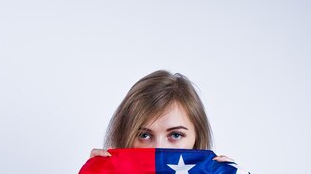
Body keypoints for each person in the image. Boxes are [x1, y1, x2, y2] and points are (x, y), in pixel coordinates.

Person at [88, 69, 234, 162]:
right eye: (144, 135)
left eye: (176, 135)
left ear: (197, 137)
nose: (159, 148)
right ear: (124, 135)